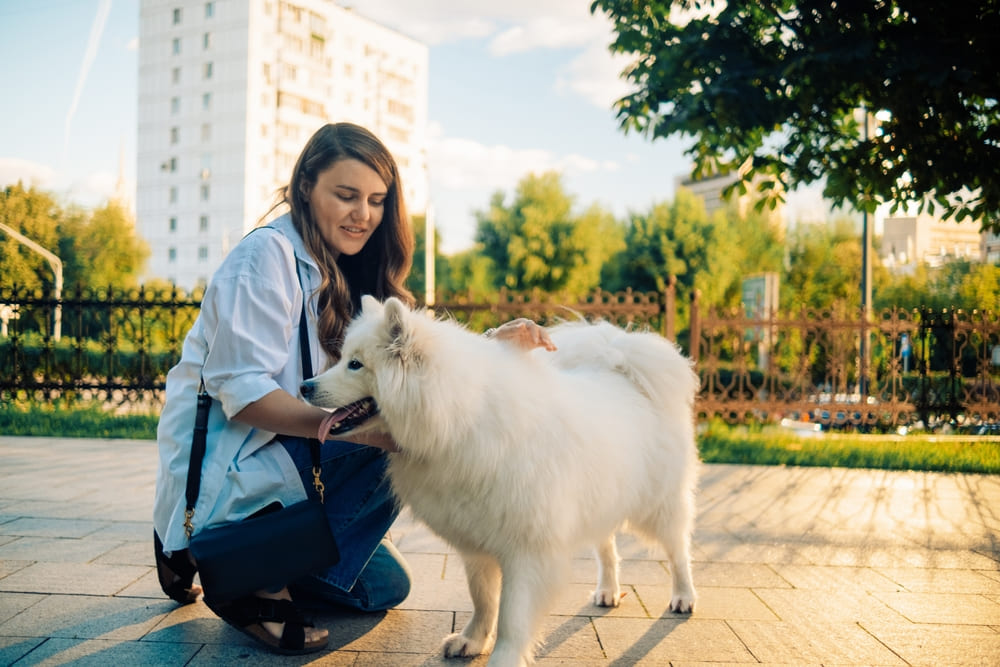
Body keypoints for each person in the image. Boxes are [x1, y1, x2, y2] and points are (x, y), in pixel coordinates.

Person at [152, 122, 554, 655]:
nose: (362, 214)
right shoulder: (264, 259)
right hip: (243, 455)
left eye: (376, 200)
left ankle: (228, 557)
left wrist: (487, 345)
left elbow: (398, 369)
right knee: (408, 431)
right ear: (304, 190)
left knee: (386, 588)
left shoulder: (347, 270)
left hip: (294, 458)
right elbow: (243, 394)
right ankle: (239, 570)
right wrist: (350, 433)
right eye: (345, 195)